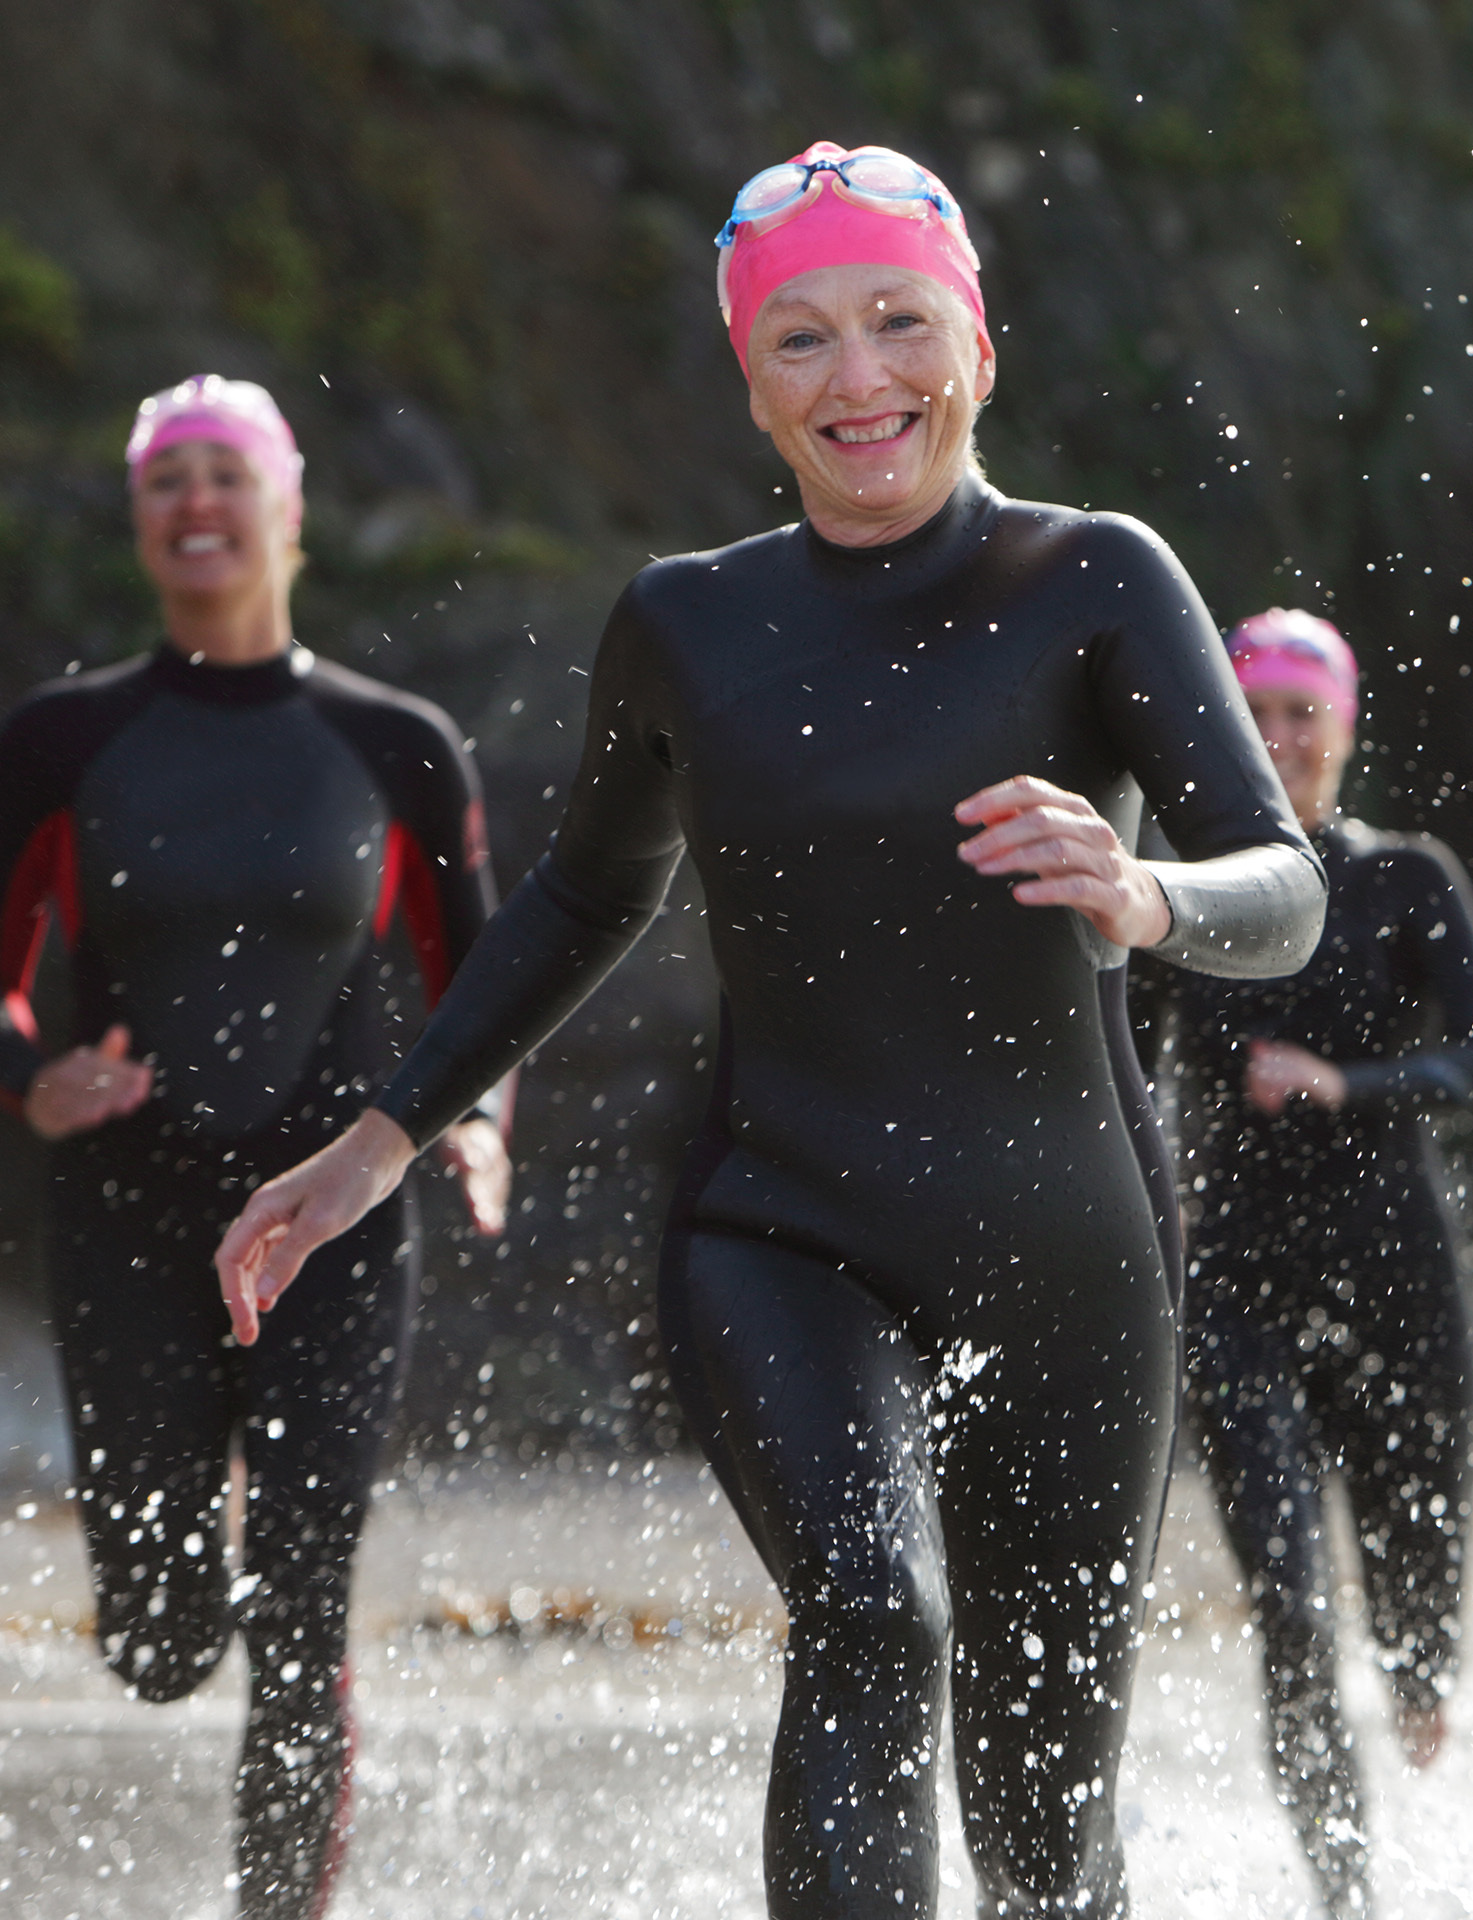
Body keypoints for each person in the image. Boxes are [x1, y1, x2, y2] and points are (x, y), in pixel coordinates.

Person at [210, 144, 1325, 1918]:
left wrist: (1147, 898)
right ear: (750, 384)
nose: (858, 378)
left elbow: (1288, 881)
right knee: (876, 1618)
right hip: (782, 1223)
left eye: (898, 322)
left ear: (978, 343)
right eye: (800, 339)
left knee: (1047, 1838)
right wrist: (383, 1139)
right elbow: (586, 899)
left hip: (1068, 1252)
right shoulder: (687, 621)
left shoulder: (1096, 579)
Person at [0, 375, 509, 1920]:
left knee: (302, 1607)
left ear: (288, 510)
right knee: (157, 1650)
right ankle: (197, 1589)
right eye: (168, 483)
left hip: (331, 1224)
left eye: (228, 477)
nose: (197, 506)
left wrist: (475, 1122)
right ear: (144, 521)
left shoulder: (394, 741)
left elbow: (483, 977)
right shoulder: (68, 739)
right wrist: (30, 1079)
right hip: (130, 1219)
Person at [1143, 609, 1473, 1920]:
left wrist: (1350, 1082)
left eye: (1303, 714)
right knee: (1288, 1606)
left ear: (1345, 729)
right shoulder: (1185, 888)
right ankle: (1346, 1896)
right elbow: (1110, 1073)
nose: (1279, 740)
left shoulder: (1405, 879)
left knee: (1415, 1617)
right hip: (1235, 1289)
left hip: (1399, 1278)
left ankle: (1423, 1680)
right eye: (1255, 713)